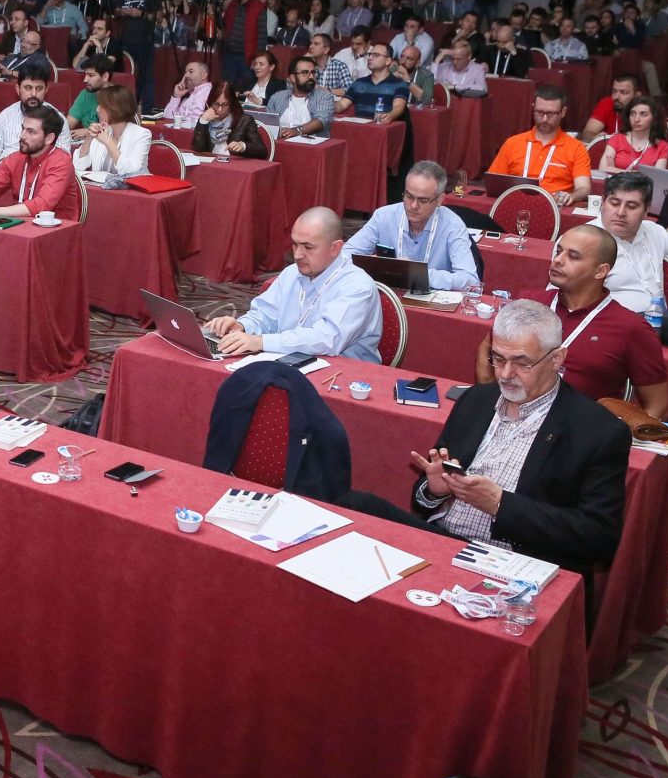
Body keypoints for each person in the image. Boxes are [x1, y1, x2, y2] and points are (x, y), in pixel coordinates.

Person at [379, 300, 630, 575]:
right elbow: (424, 498)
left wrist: (501, 505)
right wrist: (434, 491)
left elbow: (599, 538)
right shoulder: (476, 400)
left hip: (512, 564)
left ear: (557, 359)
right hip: (443, 542)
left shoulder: (598, 432)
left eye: (522, 363)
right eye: (498, 359)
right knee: (361, 505)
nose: (506, 374)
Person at [486, 223, 668, 420]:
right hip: (512, 420)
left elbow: (659, 406)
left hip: (578, 432)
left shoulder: (631, 328)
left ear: (600, 271)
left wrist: (611, 437)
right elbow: (487, 353)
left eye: (573, 256)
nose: (558, 260)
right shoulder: (528, 304)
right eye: (559, 251)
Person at [203, 207, 380, 360]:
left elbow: (327, 339)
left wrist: (261, 342)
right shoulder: (292, 273)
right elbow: (265, 315)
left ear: (335, 248)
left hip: (344, 375)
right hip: (291, 362)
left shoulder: (358, 287)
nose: (297, 255)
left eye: (308, 247)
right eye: (295, 244)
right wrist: (243, 326)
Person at [345, 162, 480, 290]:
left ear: (440, 200)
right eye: (409, 197)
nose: (414, 206)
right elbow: (344, 255)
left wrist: (416, 272)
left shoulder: (453, 226)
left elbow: (471, 280)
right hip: (390, 295)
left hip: (431, 301)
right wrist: (371, 265)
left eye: (423, 200)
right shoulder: (383, 216)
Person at [596, 170, 668, 311]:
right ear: (603, 202)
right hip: (612, 321)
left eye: (631, 206)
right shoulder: (585, 240)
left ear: (647, 210)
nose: (621, 213)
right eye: (614, 203)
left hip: (658, 318)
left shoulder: (652, 230)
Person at [0, 105, 74, 221]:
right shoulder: (16, 158)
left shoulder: (61, 162)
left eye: (31, 132)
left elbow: (42, 205)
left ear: (49, 138)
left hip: (56, 229)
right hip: (21, 224)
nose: (22, 136)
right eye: (23, 129)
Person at [485, 84, 590, 205]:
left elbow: (584, 189)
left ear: (563, 112)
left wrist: (572, 196)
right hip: (514, 204)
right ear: (533, 109)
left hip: (554, 207)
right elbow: (493, 182)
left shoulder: (576, 148)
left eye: (551, 114)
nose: (544, 119)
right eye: (540, 112)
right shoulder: (513, 143)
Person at [73, 84, 150, 177]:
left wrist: (108, 142)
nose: (97, 109)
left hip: (128, 185)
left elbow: (132, 172)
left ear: (114, 109)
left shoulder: (142, 134)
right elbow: (78, 166)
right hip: (100, 185)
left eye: (101, 106)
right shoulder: (103, 131)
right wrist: (89, 138)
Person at [0, 67, 51, 158]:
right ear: (18, 89)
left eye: (39, 89)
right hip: (6, 165)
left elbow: (63, 159)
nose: (34, 94)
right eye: (28, 88)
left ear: (46, 90)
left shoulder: (57, 120)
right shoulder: (5, 116)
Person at [596, 96, 668, 176]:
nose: (636, 119)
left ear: (654, 118)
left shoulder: (662, 146)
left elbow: (657, 177)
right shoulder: (617, 139)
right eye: (633, 114)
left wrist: (615, 170)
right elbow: (603, 168)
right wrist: (638, 174)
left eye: (643, 114)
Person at [193, 81, 267, 158]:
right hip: (211, 163)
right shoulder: (205, 118)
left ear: (232, 103)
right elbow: (197, 149)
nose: (220, 109)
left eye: (224, 104)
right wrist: (202, 122)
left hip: (235, 164)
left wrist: (244, 146)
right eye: (216, 104)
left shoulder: (245, 120)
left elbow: (262, 151)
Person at [268, 56, 335, 140]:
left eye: (313, 72)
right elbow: (269, 125)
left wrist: (297, 131)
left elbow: (321, 121)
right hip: (280, 142)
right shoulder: (277, 97)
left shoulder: (324, 96)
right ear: (293, 78)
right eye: (305, 73)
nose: (311, 77)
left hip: (311, 143)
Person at [345, 43, 409, 124]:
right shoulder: (359, 83)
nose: (370, 58)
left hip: (382, 125)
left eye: (376, 55)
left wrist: (390, 116)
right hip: (358, 127)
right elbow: (342, 104)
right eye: (369, 55)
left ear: (388, 61)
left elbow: (398, 107)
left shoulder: (399, 84)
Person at [65, 57, 116, 130]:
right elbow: (68, 125)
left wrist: (88, 131)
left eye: (91, 75)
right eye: (85, 75)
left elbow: (117, 131)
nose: (85, 80)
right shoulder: (85, 94)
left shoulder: (118, 97)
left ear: (105, 76)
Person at [161, 59, 212, 126]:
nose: (186, 75)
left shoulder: (211, 93)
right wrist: (176, 96)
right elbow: (167, 118)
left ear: (203, 75)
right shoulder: (186, 97)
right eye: (185, 72)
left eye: (191, 71)